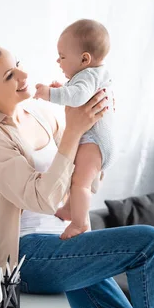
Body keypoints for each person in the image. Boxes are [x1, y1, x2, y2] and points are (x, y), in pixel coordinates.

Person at [0, 43, 154, 308]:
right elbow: (40, 199)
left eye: (18, 63)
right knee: (150, 243)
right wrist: (75, 131)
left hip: (67, 243)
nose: (23, 74)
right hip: (26, 257)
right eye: (9, 75)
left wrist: (98, 123)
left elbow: (89, 178)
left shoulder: (42, 115)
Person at [34, 19, 115, 239]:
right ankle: (70, 208)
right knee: (75, 177)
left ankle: (80, 223)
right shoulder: (92, 75)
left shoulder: (88, 75)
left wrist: (50, 94)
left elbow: (78, 96)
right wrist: (65, 90)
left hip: (94, 142)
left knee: (80, 184)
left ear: (84, 58)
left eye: (62, 56)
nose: (58, 61)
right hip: (94, 142)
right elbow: (78, 94)